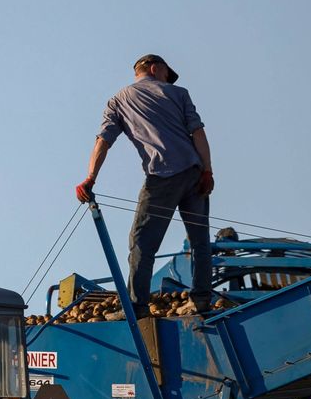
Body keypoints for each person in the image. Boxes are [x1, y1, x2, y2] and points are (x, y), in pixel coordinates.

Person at [76, 54, 215, 313]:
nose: (167, 81)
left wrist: (90, 178)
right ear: (154, 68)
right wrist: (207, 170)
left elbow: (103, 141)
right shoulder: (180, 94)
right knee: (200, 241)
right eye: (166, 75)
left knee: (141, 244)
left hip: (161, 177)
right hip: (194, 172)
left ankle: (137, 307)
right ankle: (201, 299)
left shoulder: (118, 100)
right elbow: (198, 132)